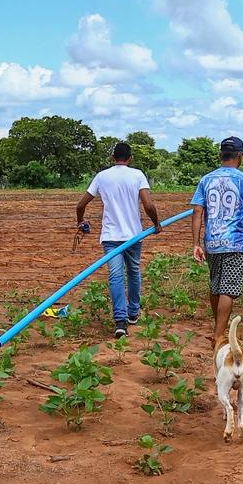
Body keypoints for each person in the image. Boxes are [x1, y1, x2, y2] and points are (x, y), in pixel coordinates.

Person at [76, 141, 161, 338]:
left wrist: (81, 222)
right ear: (130, 158)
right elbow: (148, 204)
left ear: (113, 158)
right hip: (134, 235)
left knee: (115, 276)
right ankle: (133, 314)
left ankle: (120, 321)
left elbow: (80, 205)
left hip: (110, 237)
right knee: (133, 272)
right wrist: (156, 223)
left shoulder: (102, 177)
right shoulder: (137, 175)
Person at [191, 135, 243, 343]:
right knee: (228, 289)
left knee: (216, 286)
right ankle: (219, 335)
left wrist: (196, 243)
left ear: (220, 155)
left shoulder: (206, 179)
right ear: (239, 155)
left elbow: (197, 211)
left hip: (212, 241)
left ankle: (218, 329)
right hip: (235, 242)